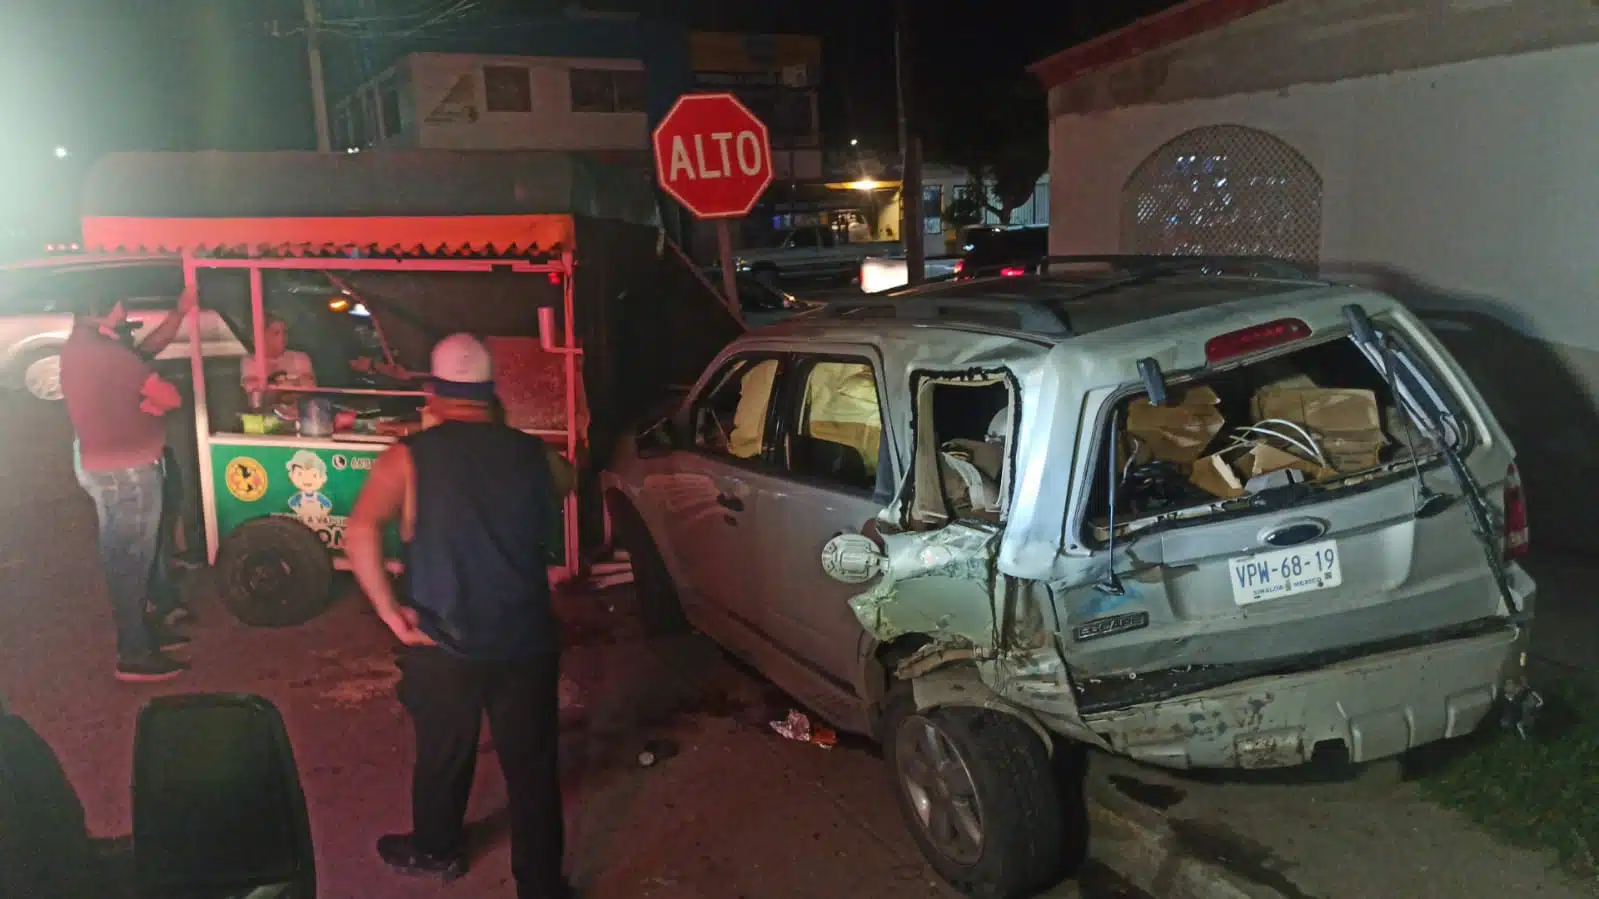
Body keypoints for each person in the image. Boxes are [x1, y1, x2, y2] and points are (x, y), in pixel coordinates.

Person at [345, 334, 576, 899]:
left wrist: (390, 613)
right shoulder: (536, 456)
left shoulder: (408, 457)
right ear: (492, 391)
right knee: (532, 769)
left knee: (444, 750)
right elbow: (564, 488)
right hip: (524, 638)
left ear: (434, 391)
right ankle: (541, 886)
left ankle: (438, 849)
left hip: (441, 636)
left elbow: (359, 530)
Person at [61, 292, 196, 682]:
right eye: (122, 304)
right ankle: (134, 652)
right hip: (128, 468)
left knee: (125, 556)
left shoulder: (85, 346)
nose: (127, 312)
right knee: (132, 560)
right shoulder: (106, 353)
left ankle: (141, 633)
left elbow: (145, 353)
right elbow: (168, 394)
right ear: (107, 308)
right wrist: (153, 404)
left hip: (104, 461)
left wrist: (178, 314)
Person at [240, 314, 316, 410]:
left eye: (284, 333)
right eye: (276, 333)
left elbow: (309, 385)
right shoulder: (250, 362)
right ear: (260, 337)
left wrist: (274, 385)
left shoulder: (300, 358)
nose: (283, 338)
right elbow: (252, 388)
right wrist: (294, 383)